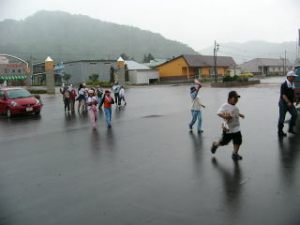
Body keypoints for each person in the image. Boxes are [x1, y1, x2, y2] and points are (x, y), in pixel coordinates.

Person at [211, 91, 245, 161]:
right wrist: (225, 116)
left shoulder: (235, 107)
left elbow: (235, 113)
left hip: (236, 127)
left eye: (237, 98)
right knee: (224, 142)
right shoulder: (225, 105)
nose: (236, 99)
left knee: (238, 140)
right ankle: (215, 145)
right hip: (228, 128)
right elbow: (218, 113)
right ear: (229, 98)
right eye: (234, 98)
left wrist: (240, 115)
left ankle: (235, 154)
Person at [278, 70, 298, 137]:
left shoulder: (292, 84)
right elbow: (283, 95)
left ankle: (290, 128)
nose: (294, 78)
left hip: (290, 103)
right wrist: (288, 102)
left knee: (295, 114)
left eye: (294, 77)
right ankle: (280, 131)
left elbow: (294, 92)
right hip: (283, 103)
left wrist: (296, 99)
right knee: (282, 118)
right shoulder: (284, 84)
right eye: (293, 77)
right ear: (289, 77)